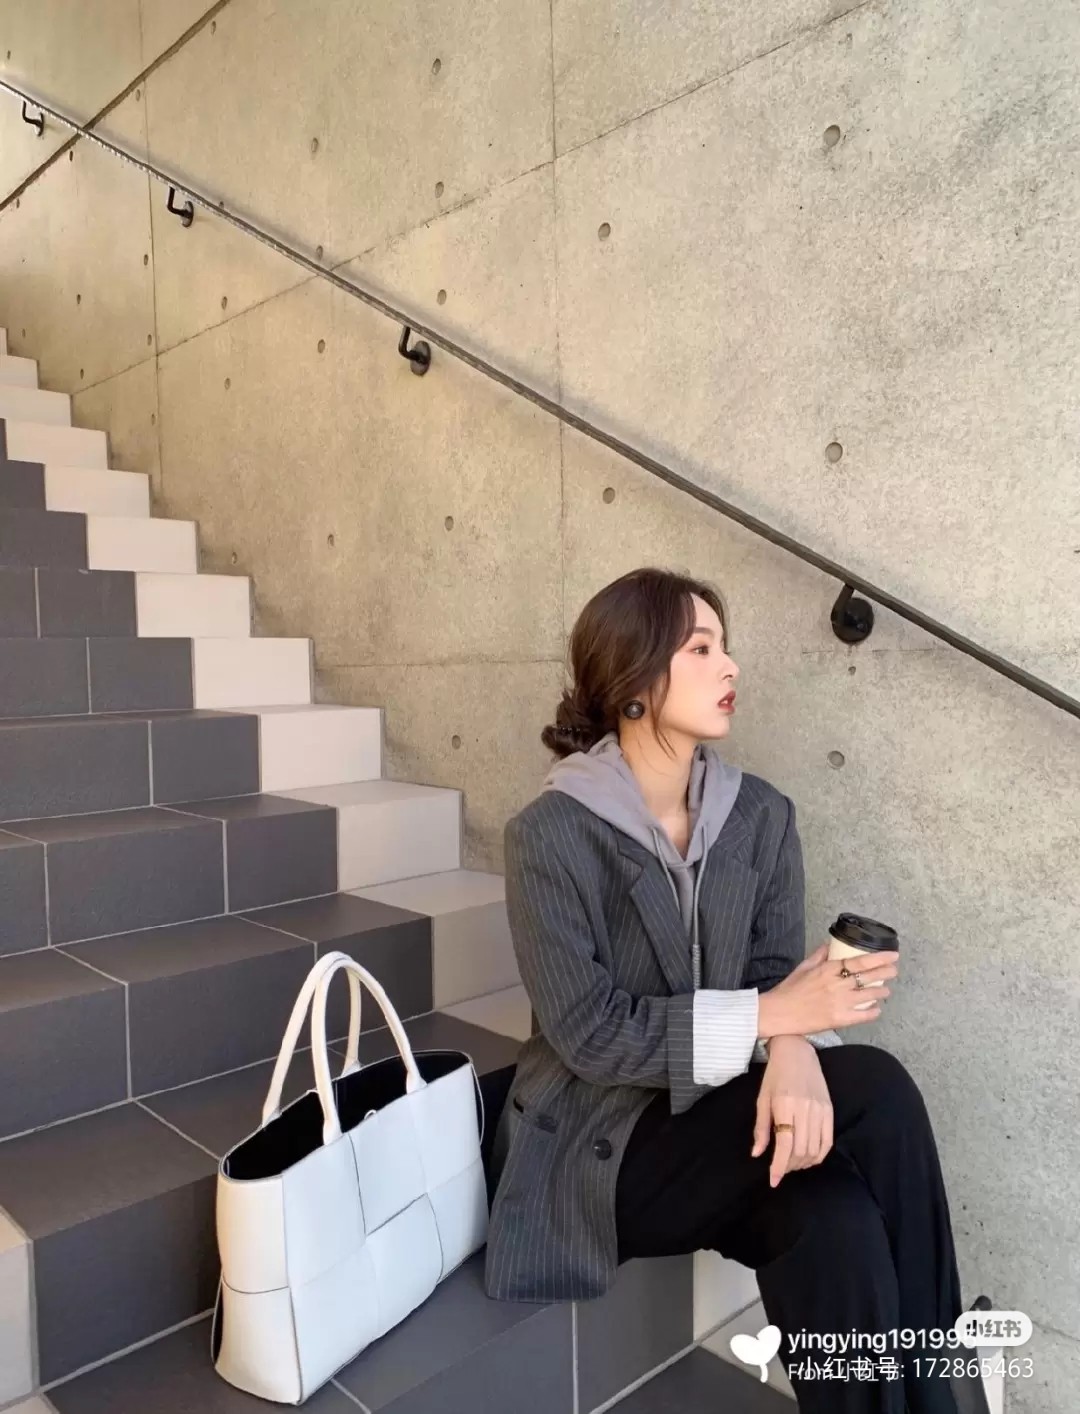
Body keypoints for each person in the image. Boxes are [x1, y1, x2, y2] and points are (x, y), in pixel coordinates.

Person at [484, 566, 990, 1414]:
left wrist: (794, 1048)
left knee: (836, 1221)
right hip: (605, 1144)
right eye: (701, 648)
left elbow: (772, 974)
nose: (731, 667)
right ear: (634, 675)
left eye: (726, 647)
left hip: (724, 1119)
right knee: (878, 1087)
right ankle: (949, 1390)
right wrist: (778, 1016)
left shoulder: (760, 816)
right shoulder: (550, 836)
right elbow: (591, 1033)